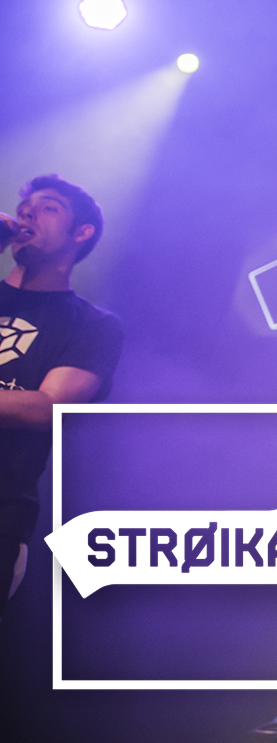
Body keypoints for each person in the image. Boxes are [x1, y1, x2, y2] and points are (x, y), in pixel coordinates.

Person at [0, 175, 122, 620]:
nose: (28, 213)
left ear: (81, 232)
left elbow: (48, 407)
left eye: (48, 207)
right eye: (25, 208)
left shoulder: (91, 325)